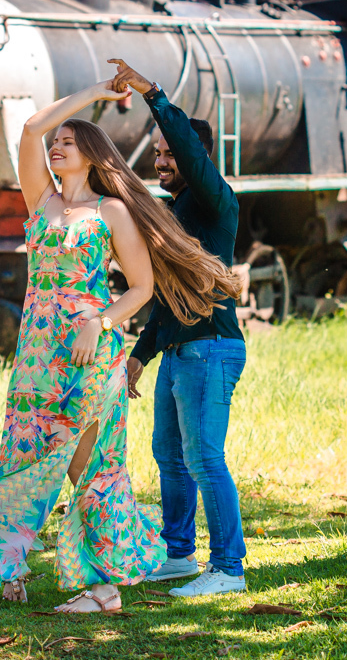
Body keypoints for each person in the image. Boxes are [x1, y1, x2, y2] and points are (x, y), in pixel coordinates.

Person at [0, 78, 241, 614]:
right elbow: (30, 127)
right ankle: (12, 564)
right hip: (37, 353)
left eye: (70, 141)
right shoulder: (40, 199)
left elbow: (141, 287)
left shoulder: (112, 212)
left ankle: (105, 586)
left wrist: (101, 323)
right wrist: (96, 92)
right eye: (57, 142)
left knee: (89, 465)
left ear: (91, 154)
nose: (57, 146)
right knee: (25, 451)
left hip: (90, 350)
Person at [110, 58, 250, 598]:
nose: (161, 160)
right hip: (178, 353)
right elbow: (167, 303)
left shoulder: (216, 203)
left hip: (212, 351)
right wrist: (140, 356)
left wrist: (153, 94)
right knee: (168, 452)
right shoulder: (169, 214)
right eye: (159, 154)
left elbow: (189, 149)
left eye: (170, 154)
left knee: (204, 457)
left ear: (195, 158)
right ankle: (178, 555)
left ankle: (228, 569)